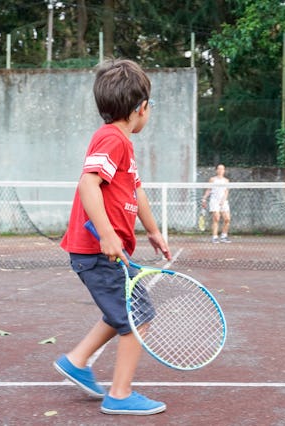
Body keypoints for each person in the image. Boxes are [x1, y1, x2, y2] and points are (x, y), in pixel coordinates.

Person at [54, 59, 171, 416]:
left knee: (121, 310)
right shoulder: (111, 139)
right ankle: (120, 394)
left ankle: (76, 361)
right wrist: (106, 235)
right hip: (96, 251)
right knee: (138, 315)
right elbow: (88, 182)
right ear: (142, 108)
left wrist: (152, 231)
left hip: (103, 252)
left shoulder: (122, 144)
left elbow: (136, 190)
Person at [202, 164, 231, 243]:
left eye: (222, 169)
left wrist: (223, 201)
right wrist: (204, 199)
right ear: (216, 170)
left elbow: (226, 192)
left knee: (227, 219)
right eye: (219, 169)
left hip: (223, 201)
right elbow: (209, 190)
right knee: (216, 218)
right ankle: (214, 237)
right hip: (214, 201)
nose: (220, 170)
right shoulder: (212, 179)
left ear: (224, 171)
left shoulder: (226, 180)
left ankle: (224, 236)